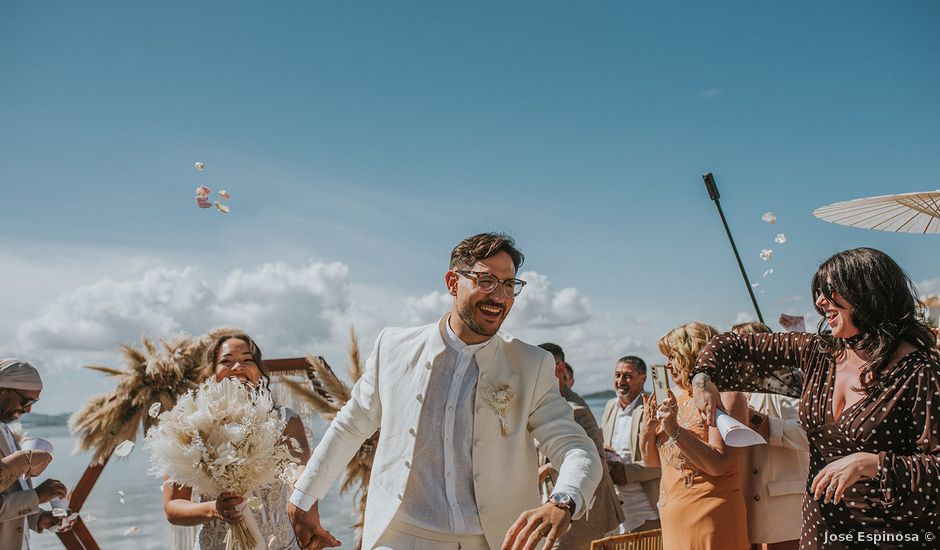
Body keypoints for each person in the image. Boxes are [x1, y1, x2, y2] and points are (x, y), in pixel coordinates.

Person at [288, 232, 602, 550]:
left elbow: (576, 447)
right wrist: (304, 495)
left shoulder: (531, 364)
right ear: (453, 283)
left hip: (494, 542)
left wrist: (564, 500)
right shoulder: (393, 347)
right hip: (400, 539)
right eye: (487, 280)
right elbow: (351, 425)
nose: (500, 296)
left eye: (509, 285)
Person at [691, 248, 940, 549]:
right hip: (819, 528)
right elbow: (731, 342)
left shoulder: (919, 371)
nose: (820, 302)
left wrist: (871, 463)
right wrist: (702, 377)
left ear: (867, 292)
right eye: (818, 293)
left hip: (893, 534)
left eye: (829, 292)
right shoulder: (818, 351)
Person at [163, 334, 311, 550]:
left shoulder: (285, 421)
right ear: (212, 375)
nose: (238, 366)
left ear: (259, 373)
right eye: (226, 361)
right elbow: (172, 507)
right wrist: (213, 509)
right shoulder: (190, 426)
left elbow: (300, 469)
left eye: (247, 359)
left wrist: (302, 486)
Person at [641, 323, 749, 550]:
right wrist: (648, 428)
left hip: (709, 515)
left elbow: (720, 463)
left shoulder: (725, 395)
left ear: (691, 354)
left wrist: (673, 429)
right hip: (673, 518)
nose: (668, 365)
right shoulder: (673, 399)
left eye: (672, 356)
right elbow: (652, 463)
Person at [537, 344, 624, 548]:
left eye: (540, 370)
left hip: (583, 517)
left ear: (560, 370)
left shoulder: (575, 410)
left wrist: (544, 469)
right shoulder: (546, 404)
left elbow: (594, 460)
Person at [730, 322, 807, 550]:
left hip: (783, 508)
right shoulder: (735, 389)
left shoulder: (789, 381)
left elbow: (807, 435)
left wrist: (757, 420)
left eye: (738, 346)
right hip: (743, 503)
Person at [0, 359, 69, 548]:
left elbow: (10, 494)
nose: (29, 409)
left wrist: (37, 518)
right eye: (26, 401)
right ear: (2, 390)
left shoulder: (7, 432)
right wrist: (36, 496)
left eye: (33, 402)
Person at [600, 356, 660, 534]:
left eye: (627, 376)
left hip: (647, 508)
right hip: (615, 510)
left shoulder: (654, 407)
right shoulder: (610, 406)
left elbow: (666, 462)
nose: (620, 381)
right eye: (617, 375)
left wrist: (626, 473)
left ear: (643, 378)